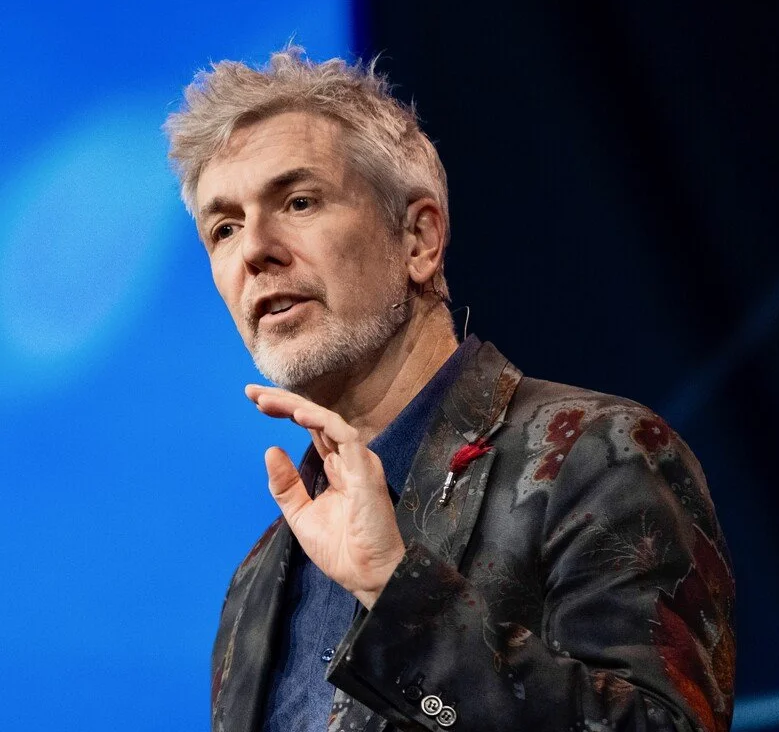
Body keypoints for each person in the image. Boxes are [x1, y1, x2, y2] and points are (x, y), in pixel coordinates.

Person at [164, 48, 735, 732]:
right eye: (223, 228)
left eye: (299, 201)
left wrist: (397, 597)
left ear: (419, 237)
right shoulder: (256, 582)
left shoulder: (598, 459)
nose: (255, 248)